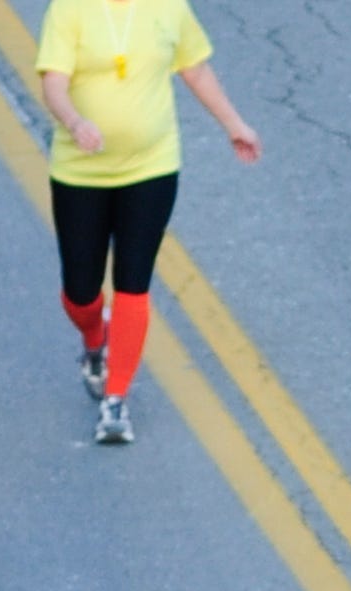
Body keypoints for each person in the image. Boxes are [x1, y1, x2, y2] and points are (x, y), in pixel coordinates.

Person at [35, 0, 260, 445]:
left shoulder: (168, 8)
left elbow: (195, 68)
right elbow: (54, 82)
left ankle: (115, 400)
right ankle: (94, 337)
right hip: (81, 172)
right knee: (80, 292)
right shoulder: (70, 10)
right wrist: (75, 121)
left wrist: (234, 124)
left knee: (133, 283)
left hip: (151, 167)